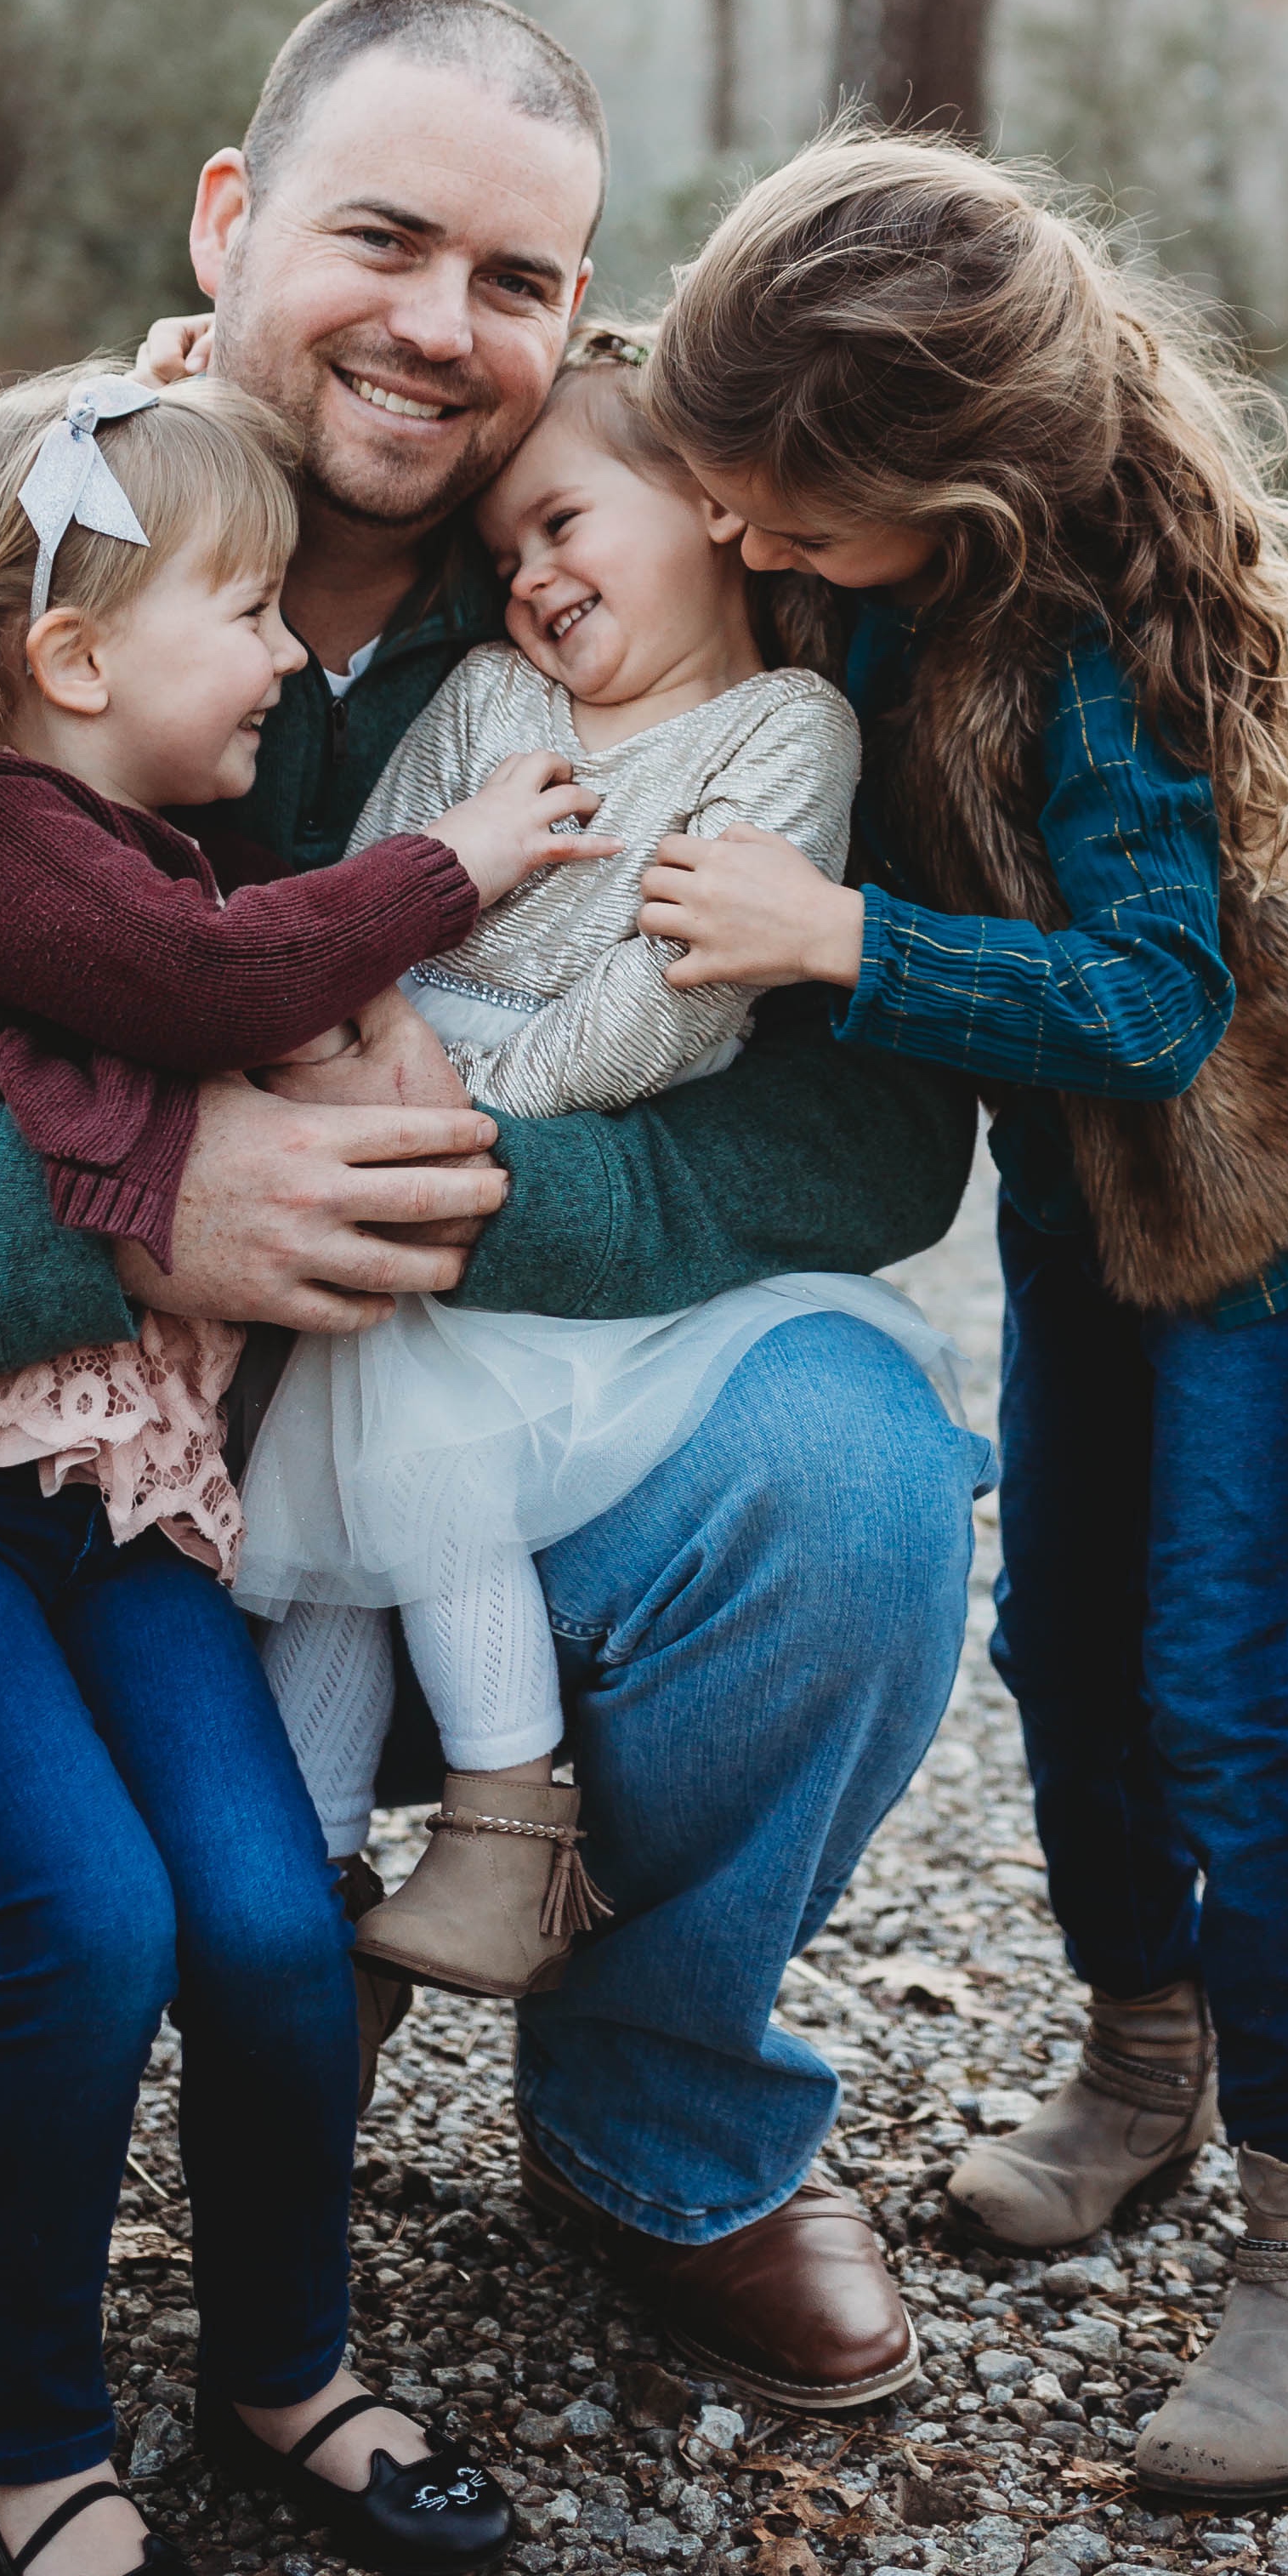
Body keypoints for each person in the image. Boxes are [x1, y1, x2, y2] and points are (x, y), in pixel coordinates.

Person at [0, 0, 987, 2419]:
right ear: (227, 219)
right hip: (29, 1491)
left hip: (466, 1440)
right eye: (378, 238)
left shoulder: (625, 589)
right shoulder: (1, 585)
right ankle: (139, 1935)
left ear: (581, 327)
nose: (436, 328)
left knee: (858, 1480)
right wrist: (128, 1205)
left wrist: (446, 1194)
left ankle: (657, 2118)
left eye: (515, 282)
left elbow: (880, 1134)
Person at [0, 359, 632, 2576]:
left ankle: (281, 2365)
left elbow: (255, 993)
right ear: (82, 656)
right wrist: (466, 862)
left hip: (117, 1505)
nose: (277, 654)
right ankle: (30, 2438)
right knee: (84, 1913)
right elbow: (223, 983)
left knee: (256, 1905)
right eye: (239, 607)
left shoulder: (148, 857)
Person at [633, 125, 1288, 2504]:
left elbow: (1146, 1003)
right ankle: (1140, 2059)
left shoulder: (1086, 660)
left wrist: (843, 942)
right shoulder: (857, 550)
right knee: (1057, 1644)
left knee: (1224, 1694)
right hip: (1082, 1208)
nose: (751, 548)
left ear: (948, 484)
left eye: (791, 518)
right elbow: (638, 465)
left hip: (1250, 1191)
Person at [245, 329, 967, 2000]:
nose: (532, 580)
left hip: (506, 1144)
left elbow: (675, 1018)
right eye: (504, 558)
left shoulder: (785, 734)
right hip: (379, 1070)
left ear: (714, 506)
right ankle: (304, 1915)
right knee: (336, 1531)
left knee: (415, 1467)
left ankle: (504, 1827)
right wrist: (348, 1043)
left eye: (563, 524)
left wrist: (458, 1117)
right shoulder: (501, 702)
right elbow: (382, 881)